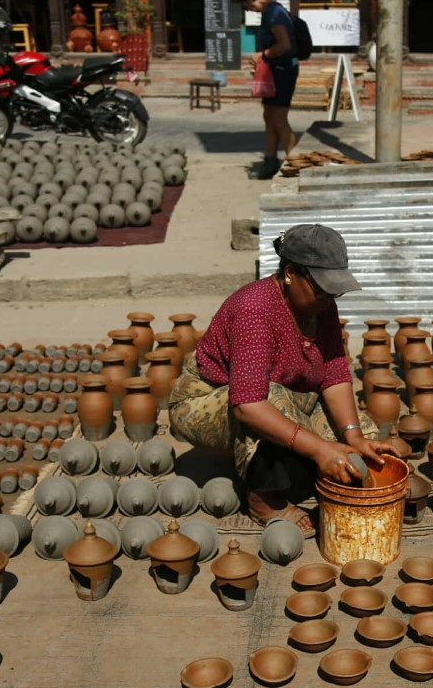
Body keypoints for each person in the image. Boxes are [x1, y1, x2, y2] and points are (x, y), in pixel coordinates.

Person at [169, 224, 395, 536]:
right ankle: (264, 498)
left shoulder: (321, 304)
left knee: (362, 442)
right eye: (322, 288)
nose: (329, 298)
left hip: (284, 396)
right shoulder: (255, 309)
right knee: (271, 400)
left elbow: (334, 374)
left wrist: (354, 436)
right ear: (290, 273)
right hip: (207, 401)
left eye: (335, 290)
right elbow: (248, 405)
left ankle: (297, 469)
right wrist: (318, 450)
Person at [231, 0, 299, 180]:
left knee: (279, 119)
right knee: (269, 117)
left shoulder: (274, 13)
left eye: (244, 5)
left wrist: (262, 55)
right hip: (275, 71)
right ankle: (270, 162)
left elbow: (284, 45)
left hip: (283, 71)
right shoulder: (270, 11)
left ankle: (295, 165)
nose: (247, 9)